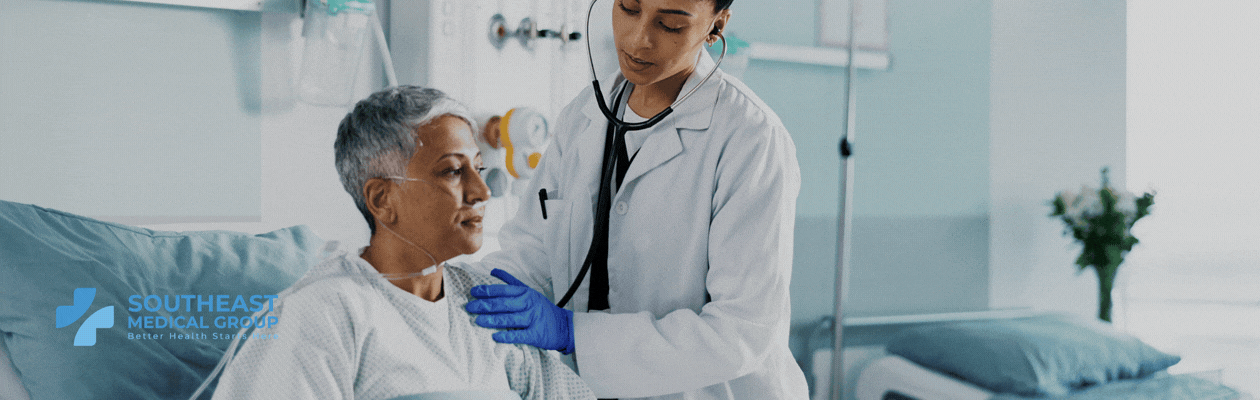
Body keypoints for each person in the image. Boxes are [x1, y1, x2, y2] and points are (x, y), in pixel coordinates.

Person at [461, 0, 810, 398]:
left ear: (717, 25)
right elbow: (530, 257)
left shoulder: (750, 139)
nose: (639, 39)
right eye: (628, 8)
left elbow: (741, 331)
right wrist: (454, 292)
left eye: (671, 25)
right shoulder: (582, 116)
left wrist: (572, 333)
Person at [210, 86, 594, 400]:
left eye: (478, 168)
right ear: (382, 199)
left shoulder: (490, 310)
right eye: (453, 171)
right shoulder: (325, 313)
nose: (481, 191)